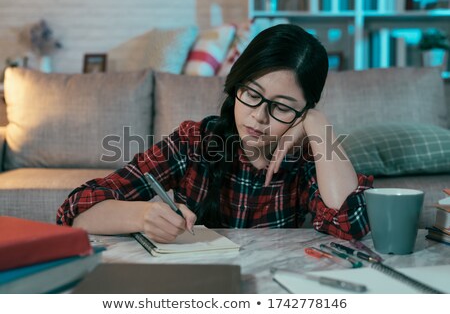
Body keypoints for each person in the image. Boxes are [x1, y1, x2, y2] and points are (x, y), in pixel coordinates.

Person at [57, 24, 373, 243]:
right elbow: (76, 210)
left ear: (302, 111)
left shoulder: (305, 157)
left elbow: (351, 226)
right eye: (252, 94)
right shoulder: (195, 141)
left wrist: (317, 123)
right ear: (236, 84)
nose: (259, 117)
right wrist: (141, 215)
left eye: (283, 107)